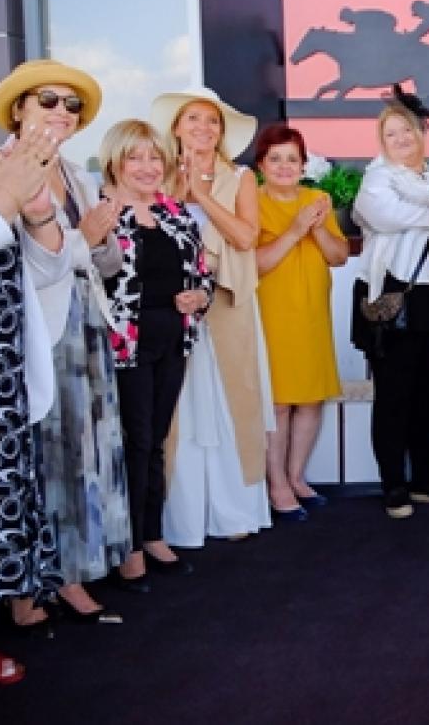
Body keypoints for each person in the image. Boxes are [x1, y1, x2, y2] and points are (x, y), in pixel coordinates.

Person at [0, 60, 130, 623]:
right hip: (29, 330)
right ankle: (31, 588)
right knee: (40, 454)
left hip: (85, 321)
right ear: (18, 109)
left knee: (85, 448)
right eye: (48, 100)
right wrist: (82, 240)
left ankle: (72, 568)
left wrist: (100, 242)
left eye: (72, 105)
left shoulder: (77, 175)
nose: (61, 112)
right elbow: (14, 262)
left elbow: (103, 262)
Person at [151, 87, 275, 541]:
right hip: (170, 306)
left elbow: (245, 237)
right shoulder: (156, 173)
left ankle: (234, 511)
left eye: (212, 120)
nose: (203, 128)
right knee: (177, 406)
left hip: (226, 303)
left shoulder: (239, 177)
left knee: (232, 400)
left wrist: (202, 198)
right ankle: (180, 518)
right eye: (194, 119)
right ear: (176, 127)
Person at [98, 120, 213, 590]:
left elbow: (202, 273)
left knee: (157, 437)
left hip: (173, 337)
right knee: (135, 440)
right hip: (125, 341)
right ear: (115, 162)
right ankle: (126, 545)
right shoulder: (102, 212)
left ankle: (152, 534)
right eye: (135, 157)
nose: (147, 167)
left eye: (154, 158)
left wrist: (200, 296)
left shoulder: (176, 212)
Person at [0, 57, 70, 648]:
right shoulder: (0, 177)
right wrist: (6, 198)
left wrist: (38, 218)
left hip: (1, 371)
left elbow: (39, 270)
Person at [351, 92, 429, 518]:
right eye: (390, 134)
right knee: (394, 395)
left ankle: (425, 479)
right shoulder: (376, 179)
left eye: (405, 131)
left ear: (421, 134)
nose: (399, 140)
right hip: (390, 295)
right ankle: (393, 483)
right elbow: (386, 217)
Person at [254, 123, 349, 516]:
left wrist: (318, 229)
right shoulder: (253, 201)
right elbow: (257, 264)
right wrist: (295, 230)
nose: (284, 166)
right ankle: (276, 484)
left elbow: (338, 256)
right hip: (272, 312)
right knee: (277, 403)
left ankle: (296, 476)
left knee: (311, 399)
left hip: (311, 312)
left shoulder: (317, 199)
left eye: (292, 159)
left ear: (304, 164)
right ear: (261, 165)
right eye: (275, 158)